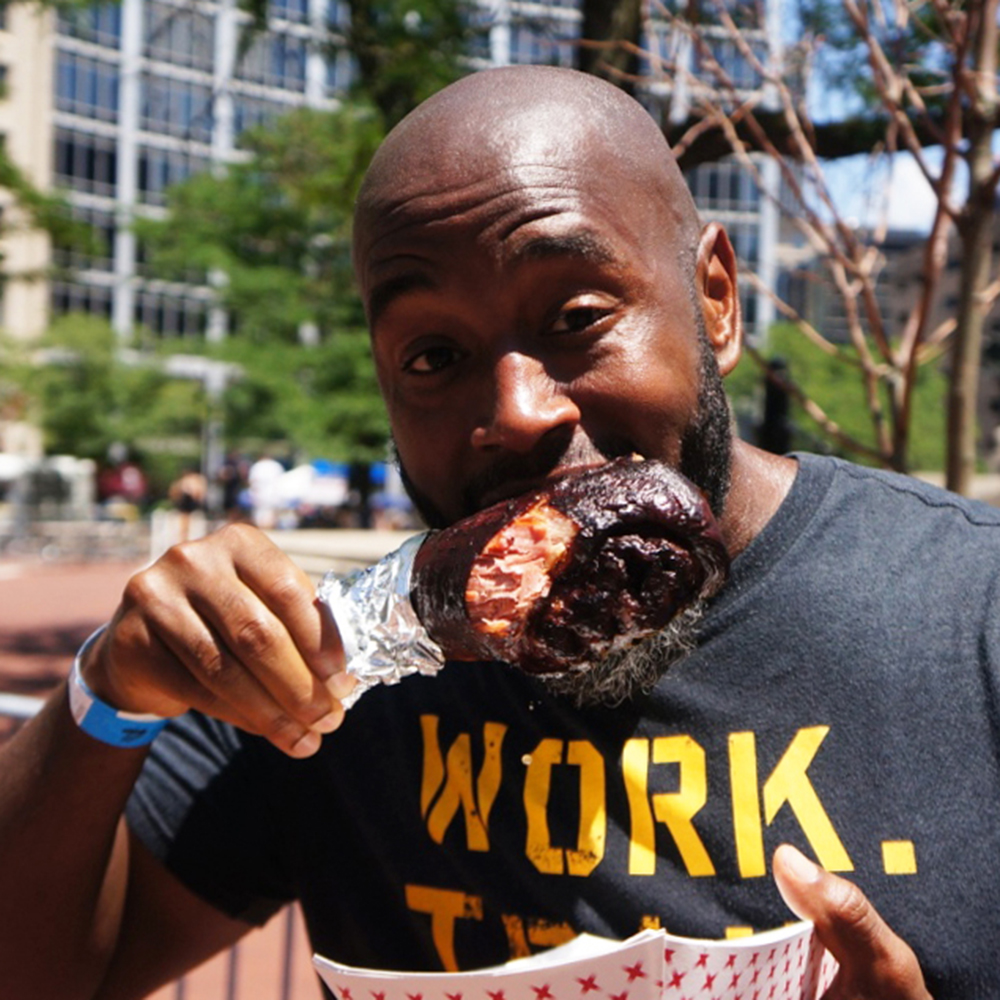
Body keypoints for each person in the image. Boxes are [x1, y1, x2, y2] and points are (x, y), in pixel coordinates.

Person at [3, 64, 989, 1000]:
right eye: (434, 354)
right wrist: (107, 695)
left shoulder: (967, 613)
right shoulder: (326, 691)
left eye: (576, 314)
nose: (515, 411)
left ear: (716, 301)